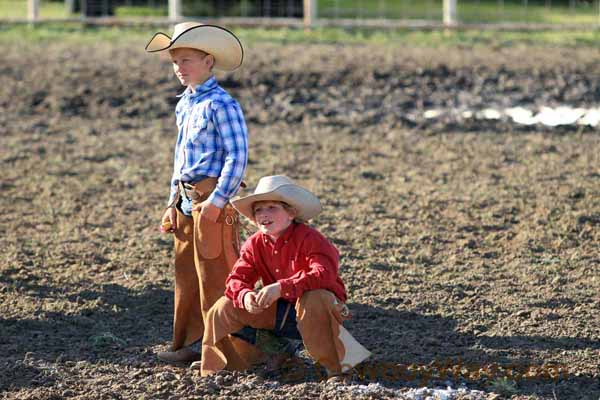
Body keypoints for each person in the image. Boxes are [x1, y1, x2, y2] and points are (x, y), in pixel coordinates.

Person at [145, 22, 253, 363]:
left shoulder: (222, 105)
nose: (179, 68)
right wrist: (171, 203)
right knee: (187, 274)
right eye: (175, 62)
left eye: (187, 60)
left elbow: (238, 156)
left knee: (217, 273)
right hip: (186, 198)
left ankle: (228, 349)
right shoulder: (185, 105)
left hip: (210, 197)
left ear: (208, 61)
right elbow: (180, 159)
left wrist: (218, 200)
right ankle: (194, 342)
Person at [199, 175, 371, 377]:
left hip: (319, 312)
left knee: (315, 297)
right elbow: (236, 280)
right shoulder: (255, 244)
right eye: (258, 210)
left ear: (291, 213)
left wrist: (281, 287)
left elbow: (324, 275)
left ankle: (338, 369)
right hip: (281, 312)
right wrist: (245, 295)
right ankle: (221, 365)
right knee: (224, 307)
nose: (263, 214)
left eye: (272, 207)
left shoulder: (311, 239)